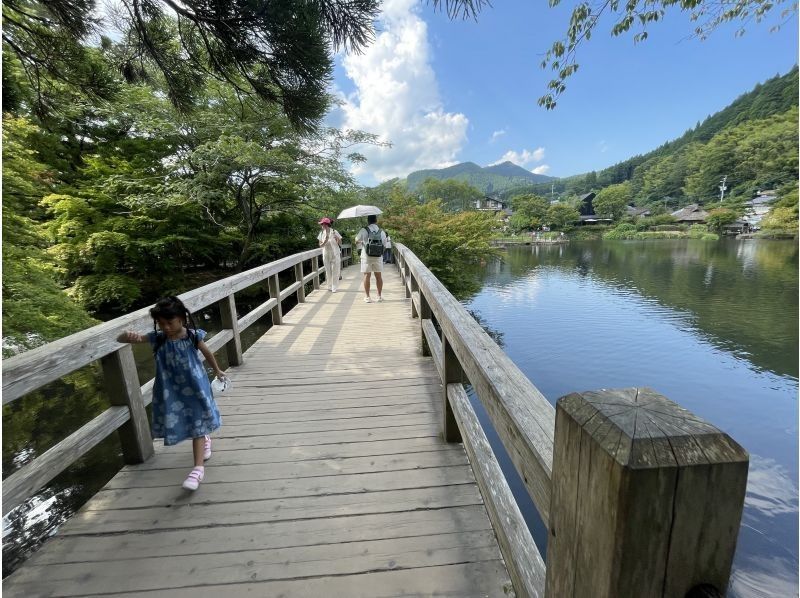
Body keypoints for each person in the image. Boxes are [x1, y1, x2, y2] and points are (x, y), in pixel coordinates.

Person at [116, 296, 225, 491]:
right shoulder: (158, 338)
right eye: (161, 323)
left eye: (170, 322)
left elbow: (207, 353)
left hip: (195, 387)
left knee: (197, 422)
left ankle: (198, 469)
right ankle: (205, 440)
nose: (166, 327)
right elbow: (125, 339)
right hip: (171, 390)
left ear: (182, 319)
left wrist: (217, 370)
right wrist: (126, 335)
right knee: (190, 420)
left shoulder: (192, 336)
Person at [355, 214, 387, 303]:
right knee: (378, 276)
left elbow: (356, 240)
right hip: (378, 257)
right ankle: (379, 296)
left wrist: (362, 242)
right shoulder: (381, 231)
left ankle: (367, 297)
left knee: (367, 275)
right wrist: (379, 252)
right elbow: (384, 245)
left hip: (366, 256)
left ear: (368, 221)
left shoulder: (364, 230)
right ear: (376, 221)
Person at [317, 217, 342, 292]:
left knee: (335, 270)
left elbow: (340, 243)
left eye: (322, 224)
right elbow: (320, 245)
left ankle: (334, 286)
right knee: (328, 270)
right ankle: (329, 286)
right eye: (321, 224)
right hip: (326, 254)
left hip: (335, 253)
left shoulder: (334, 231)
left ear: (326, 224)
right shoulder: (321, 233)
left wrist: (337, 238)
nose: (321, 225)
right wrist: (325, 241)